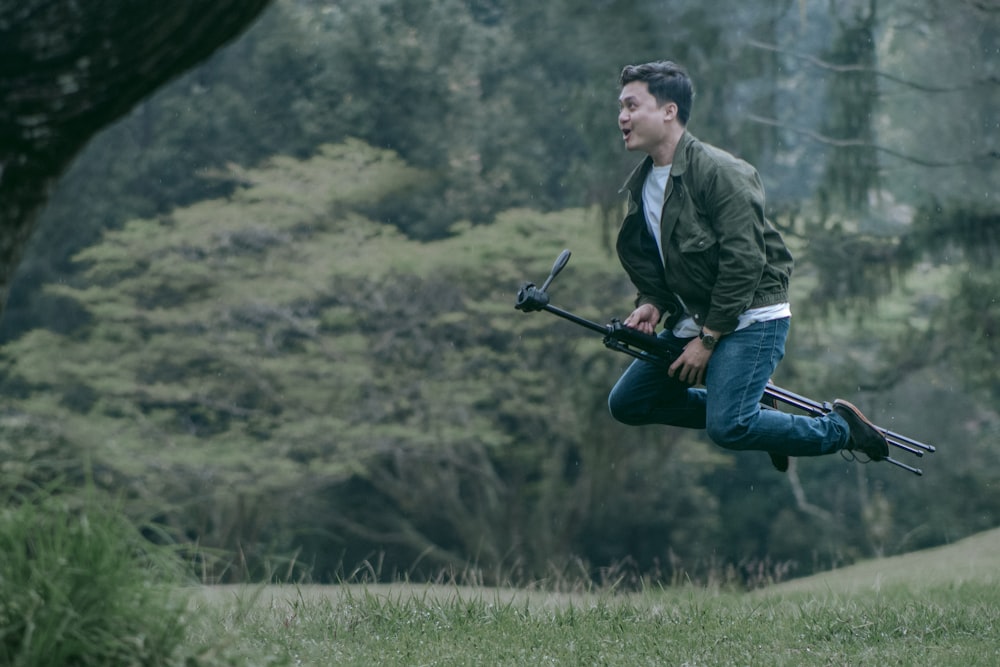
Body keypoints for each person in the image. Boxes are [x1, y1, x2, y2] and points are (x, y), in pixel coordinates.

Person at [607, 60, 888, 467]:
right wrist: (652, 302)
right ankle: (755, 410)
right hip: (698, 317)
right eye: (621, 107)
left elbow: (746, 263)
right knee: (629, 403)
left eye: (632, 106)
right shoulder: (644, 183)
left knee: (730, 427)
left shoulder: (721, 172)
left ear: (669, 111)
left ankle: (842, 429)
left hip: (753, 317)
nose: (622, 117)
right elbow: (665, 264)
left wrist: (706, 342)